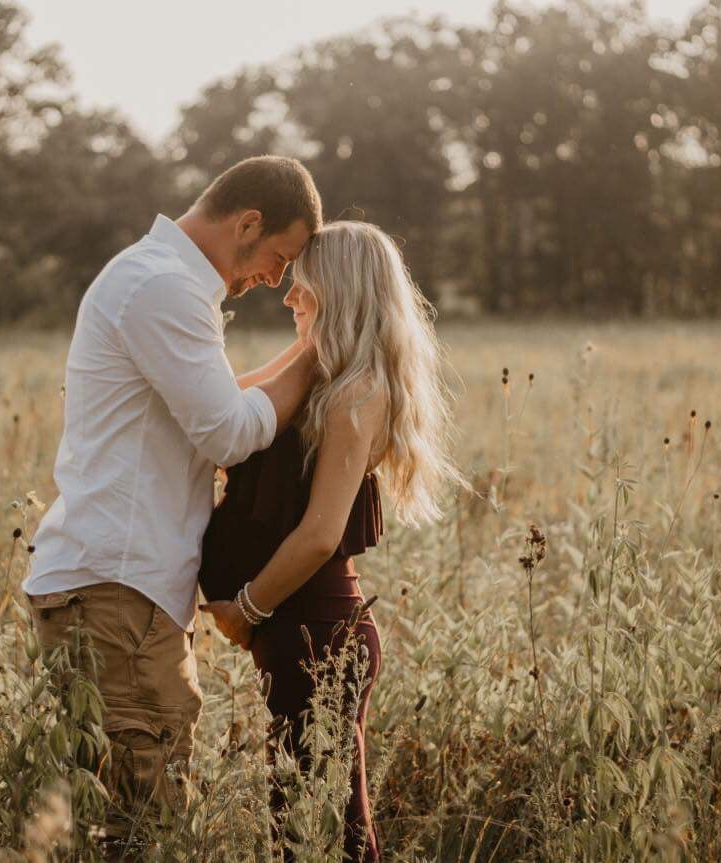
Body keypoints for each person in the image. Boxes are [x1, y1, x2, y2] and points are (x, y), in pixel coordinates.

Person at [23, 156, 322, 845]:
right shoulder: (164, 287)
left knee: (107, 818)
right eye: (279, 258)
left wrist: (306, 350)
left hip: (113, 588)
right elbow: (228, 432)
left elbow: (217, 401)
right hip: (116, 592)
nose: (276, 279)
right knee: (144, 826)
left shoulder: (157, 278)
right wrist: (318, 355)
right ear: (247, 224)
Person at [200, 220, 459, 862]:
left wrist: (245, 610)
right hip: (300, 632)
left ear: (339, 292)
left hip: (317, 633)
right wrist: (311, 346)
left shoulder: (355, 395)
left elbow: (320, 536)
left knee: (323, 834)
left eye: (305, 285)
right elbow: (225, 405)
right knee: (306, 824)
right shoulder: (327, 380)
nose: (288, 296)